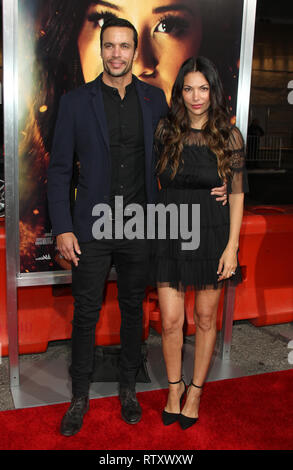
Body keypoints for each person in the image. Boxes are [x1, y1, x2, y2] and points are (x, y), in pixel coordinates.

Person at [47, 19, 227, 436]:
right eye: (109, 46)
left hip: (142, 225)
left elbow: (179, 150)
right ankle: (79, 397)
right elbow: (58, 173)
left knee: (133, 312)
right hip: (90, 226)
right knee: (86, 314)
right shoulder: (76, 102)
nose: (116, 54)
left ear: (132, 51)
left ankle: (128, 388)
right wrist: (62, 228)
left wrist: (218, 184)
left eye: (124, 46)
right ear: (101, 51)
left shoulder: (154, 98)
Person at [151, 56, 248, 430]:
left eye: (203, 88)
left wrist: (232, 247)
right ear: (180, 92)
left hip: (212, 232)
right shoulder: (166, 130)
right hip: (171, 229)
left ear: (213, 92)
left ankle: (195, 392)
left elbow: (237, 194)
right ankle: (174, 388)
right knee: (172, 320)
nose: (196, 96)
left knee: (206, 319)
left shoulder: (228, 135)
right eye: (189, 88)